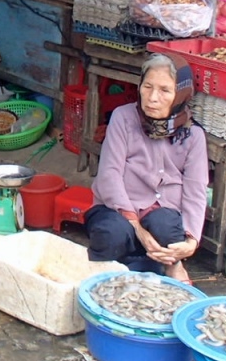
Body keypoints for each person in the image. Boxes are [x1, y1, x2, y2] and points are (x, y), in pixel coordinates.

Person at [84, 54, 208, 283]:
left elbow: (196, 190)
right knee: (111, 233)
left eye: (164, 90)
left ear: (180, 95)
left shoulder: (193, 135)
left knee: (167, 228)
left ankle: (172, 266)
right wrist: (137, 228)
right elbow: (109, 175)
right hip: (118, 210)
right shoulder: (123, 117)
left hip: (162, 212)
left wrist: (191, 241)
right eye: (147, 87)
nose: (152, 98)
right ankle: (104, 278)